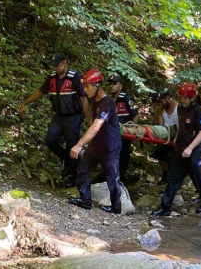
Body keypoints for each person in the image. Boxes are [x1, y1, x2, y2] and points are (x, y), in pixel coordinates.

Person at [19, 53, 92, 187]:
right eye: (53, 66)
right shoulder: (52, 79)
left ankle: (75, 176)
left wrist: (89, 121)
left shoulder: (75, 78)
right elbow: (40, 92)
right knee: (50, 140)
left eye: (57, 65)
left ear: (64, 63)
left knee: (72, 146)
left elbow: (84, 100)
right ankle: (68, 161)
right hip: (58, 117)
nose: (55, 68)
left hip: (73, 117)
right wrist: (25, 103)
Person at [152, 83, 201, 216]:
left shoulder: (198, 112)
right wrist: (176, 140)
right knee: (173, 178)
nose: (182, 100)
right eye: (181, 97)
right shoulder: (182, 109)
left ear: (192, 98)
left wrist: (190, 148)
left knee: (197, 177)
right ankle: (165, 206)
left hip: (193, 151)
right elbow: (181, 126)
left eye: (185, 98)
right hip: (179, 149)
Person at [68, 69, 122, 214]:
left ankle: (116, 208)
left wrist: (79, 144)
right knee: (83, 168)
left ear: (97, 85)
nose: (85, 90)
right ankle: (85, 200)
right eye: (84, 86)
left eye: (87, 86)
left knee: (112, 178)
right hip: (97, 144)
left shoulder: (107, 103)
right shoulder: (95, 100)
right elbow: (93, 123)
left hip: (110, 146)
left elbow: (97, 126)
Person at [108, 73, 139, 182]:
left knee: (123, 153)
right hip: (112, 132)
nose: (112, 86)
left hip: (125, 133)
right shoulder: (109, 100)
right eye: (110, 84)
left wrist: (133, 129)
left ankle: (122, 175)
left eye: (115, 83)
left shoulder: (126, 98)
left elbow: (135, 114)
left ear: (120, 85)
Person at [151, 88, 179, 185]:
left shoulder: (178, 108)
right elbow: (160, 125)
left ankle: (174, 176)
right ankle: (165, 174)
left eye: (161, 101)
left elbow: (183, 125)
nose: (161, 104)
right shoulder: (160, 109)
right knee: (160, 153)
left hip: (177, 134)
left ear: (168, 98)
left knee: (174, 156)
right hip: (166, 134)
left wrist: (176, 138)